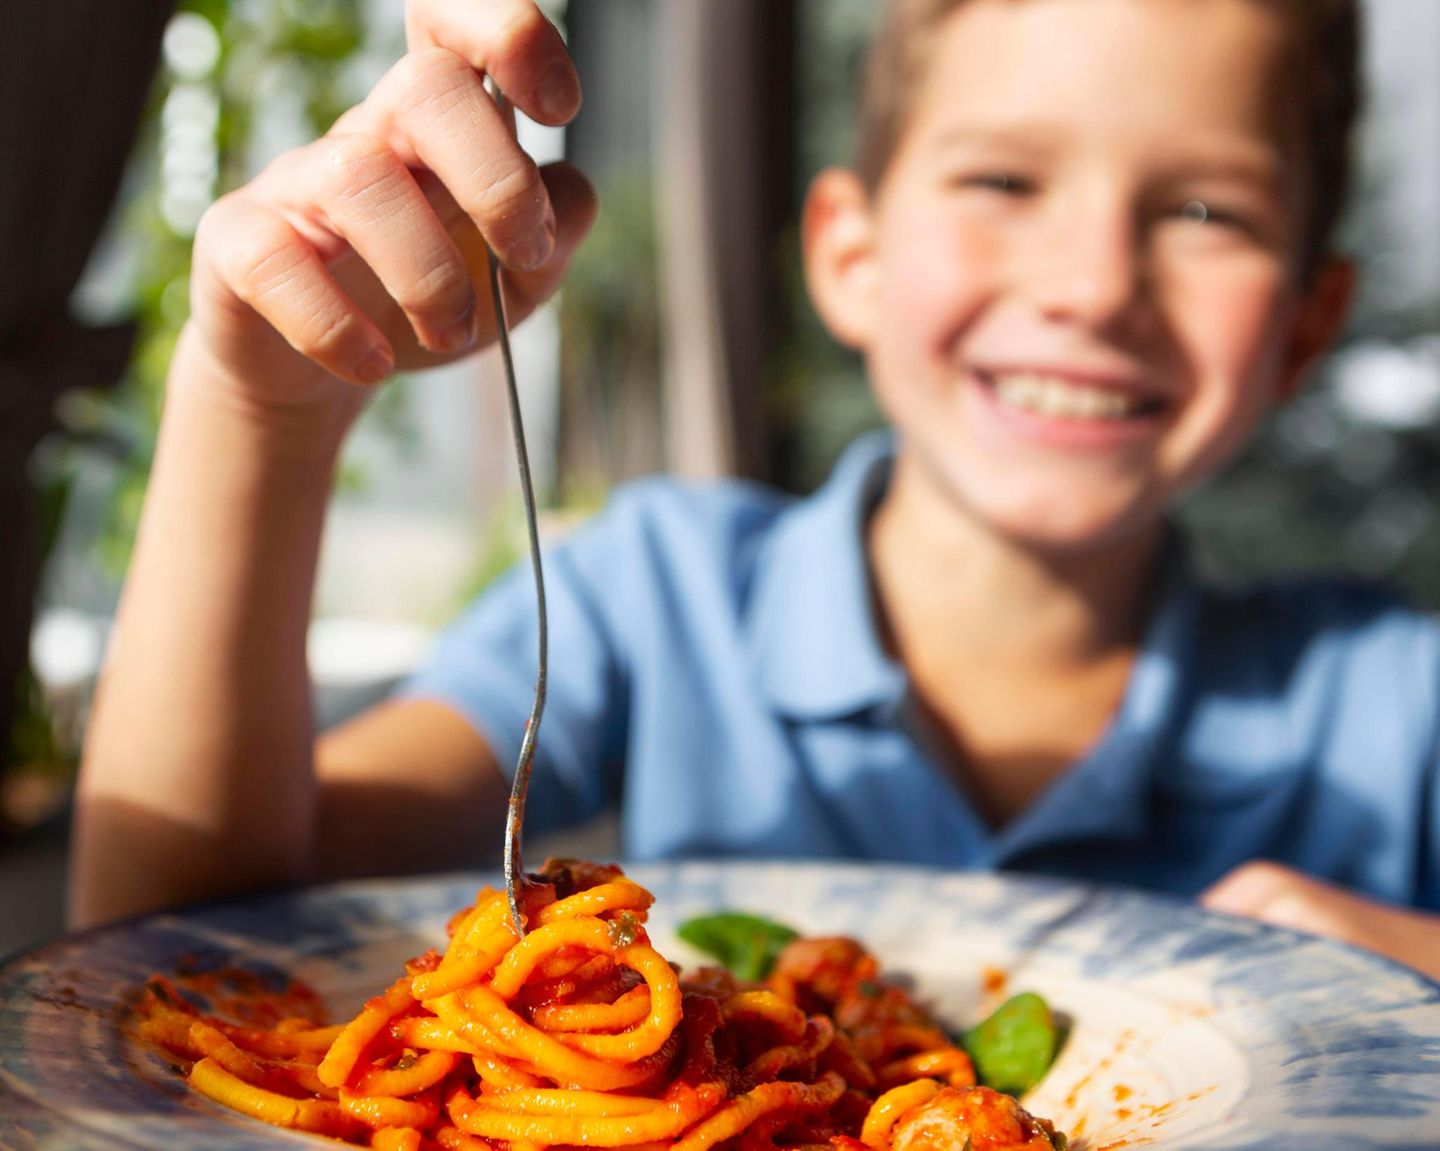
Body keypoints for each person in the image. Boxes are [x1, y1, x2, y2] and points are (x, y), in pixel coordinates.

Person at [69, 0, 1440, 981]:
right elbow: (176, 943)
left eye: (1207, 212)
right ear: (847, 254)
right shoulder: (659, 594)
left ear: (1310, 324)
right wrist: (259, 406)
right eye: (1003, 178)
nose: (1092, 286)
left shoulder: (1395, 703)